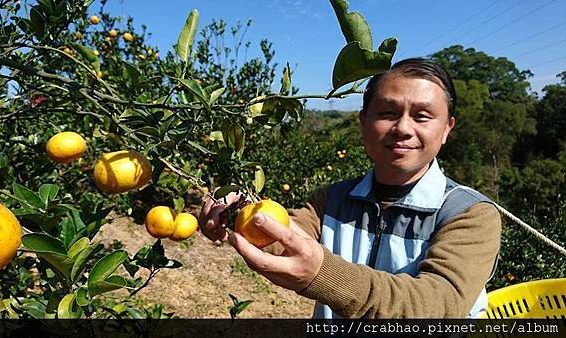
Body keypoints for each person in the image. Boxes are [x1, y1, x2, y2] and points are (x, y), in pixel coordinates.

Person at [199, 58, 502, 319]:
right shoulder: (331, 199)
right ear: (363, 120)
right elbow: (284, 238)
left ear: (447, 128)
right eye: (387, 113)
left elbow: (437, 305)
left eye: (422, 116)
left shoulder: (470, 215)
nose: (404, 128)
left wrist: (324, 274)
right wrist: (238, 213)